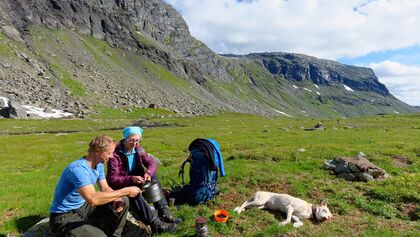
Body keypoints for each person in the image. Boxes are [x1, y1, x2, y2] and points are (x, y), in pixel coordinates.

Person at [49, 135, 141, 237]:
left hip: (82, 206)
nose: (112, 156)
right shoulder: (78, 169)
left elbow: (105, 188)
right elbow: (92, 200)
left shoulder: (99, 164)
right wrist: (126, 191)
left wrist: (117, 198)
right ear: (97, 151)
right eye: (109, 153)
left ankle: (115, 235)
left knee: (123, 200)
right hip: (64, 215)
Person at [106, 126, 181, 234]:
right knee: (133, 193)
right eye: (131, 140)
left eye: (137, 140)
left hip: (137, 180)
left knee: (153, 177)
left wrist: (148, 173)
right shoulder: (115, 154)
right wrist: (131, 179)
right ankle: (155, 223)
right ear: (125, 139)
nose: (134, 143)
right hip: (122, 185)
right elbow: (112, 179)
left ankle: (163, 211)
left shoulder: (138, 149)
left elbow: (152, 163)